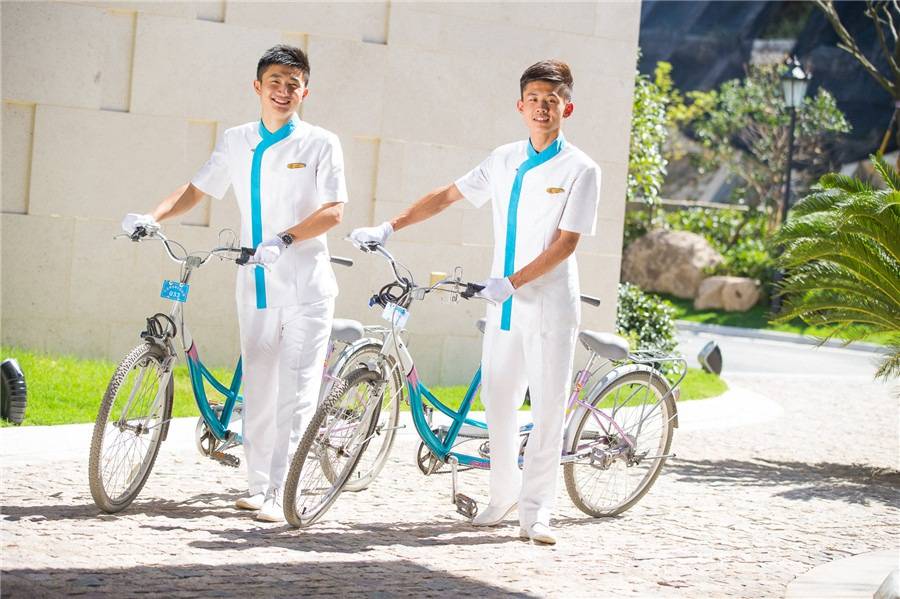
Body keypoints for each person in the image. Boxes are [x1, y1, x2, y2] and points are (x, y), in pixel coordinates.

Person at [350, 59, 600, 545]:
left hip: (548, 304)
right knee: (499, 402)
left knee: (548, 407)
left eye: (551, 100)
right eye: (534, 99)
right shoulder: (503, 159)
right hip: (502, 304)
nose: (542, 108)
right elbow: (448, 196)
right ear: (520, 106)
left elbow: (566, 244)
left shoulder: (581, 169)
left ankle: (538, 511)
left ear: (567, 108)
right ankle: (502, 495)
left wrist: (513, 281)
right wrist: (390, 226)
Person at [121, 44, 347, 523]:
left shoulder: (321, 143)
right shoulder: (236, 139)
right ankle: (259, 486)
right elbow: (197, 188)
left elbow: (333, 211)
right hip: (255, 285)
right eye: (275, 82)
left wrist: (284, 238)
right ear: (257, 86)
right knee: (259, 388)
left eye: (293, 84)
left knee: (296, 391)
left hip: (306, 288)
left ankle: (284, 493)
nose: (283, 91)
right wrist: (153, 216)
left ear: (305, 91)